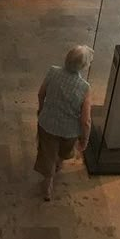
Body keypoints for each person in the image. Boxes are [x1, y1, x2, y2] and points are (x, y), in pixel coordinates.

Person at [34, 46, 93, 200]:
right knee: (64, 151)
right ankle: (58, 164)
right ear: (84, 66)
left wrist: (41, 109)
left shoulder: (53, 72)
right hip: (69, 131)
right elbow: (86, 120)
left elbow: (41, 94)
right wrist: (85, 139)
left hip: (47, 124)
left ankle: (48, 182)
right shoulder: (84, 88)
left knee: (47, 153)